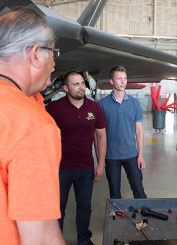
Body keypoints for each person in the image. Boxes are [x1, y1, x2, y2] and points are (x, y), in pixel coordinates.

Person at [0, 7, 66, 244]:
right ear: (36, 54)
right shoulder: (31, 124)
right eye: (53, 53)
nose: (53, 65)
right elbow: (39, 238)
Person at [46, 71, 107, 245]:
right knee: (58, 209)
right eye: (76, 84)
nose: (81, 87)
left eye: (82, 83)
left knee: (85, 206)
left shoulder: (94, 108)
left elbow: (101, 136)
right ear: (65, 88)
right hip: (61, 168)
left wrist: (100, 164)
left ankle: (84, 239)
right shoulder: (54, 109)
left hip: (86, 167)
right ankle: (55, 240)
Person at [99, 65, 146, 199]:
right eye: (119, 78)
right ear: (111, 81)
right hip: (111, 156)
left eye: (124, 78)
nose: (123, 81)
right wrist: (100, 159)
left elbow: (139, 130)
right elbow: (98, 135)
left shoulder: (135, 103)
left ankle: (144, 218)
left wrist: (140, 155)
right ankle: (116, 219)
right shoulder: (102, 104)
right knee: (114, 193)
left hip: (131, 154)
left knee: (139, 191)